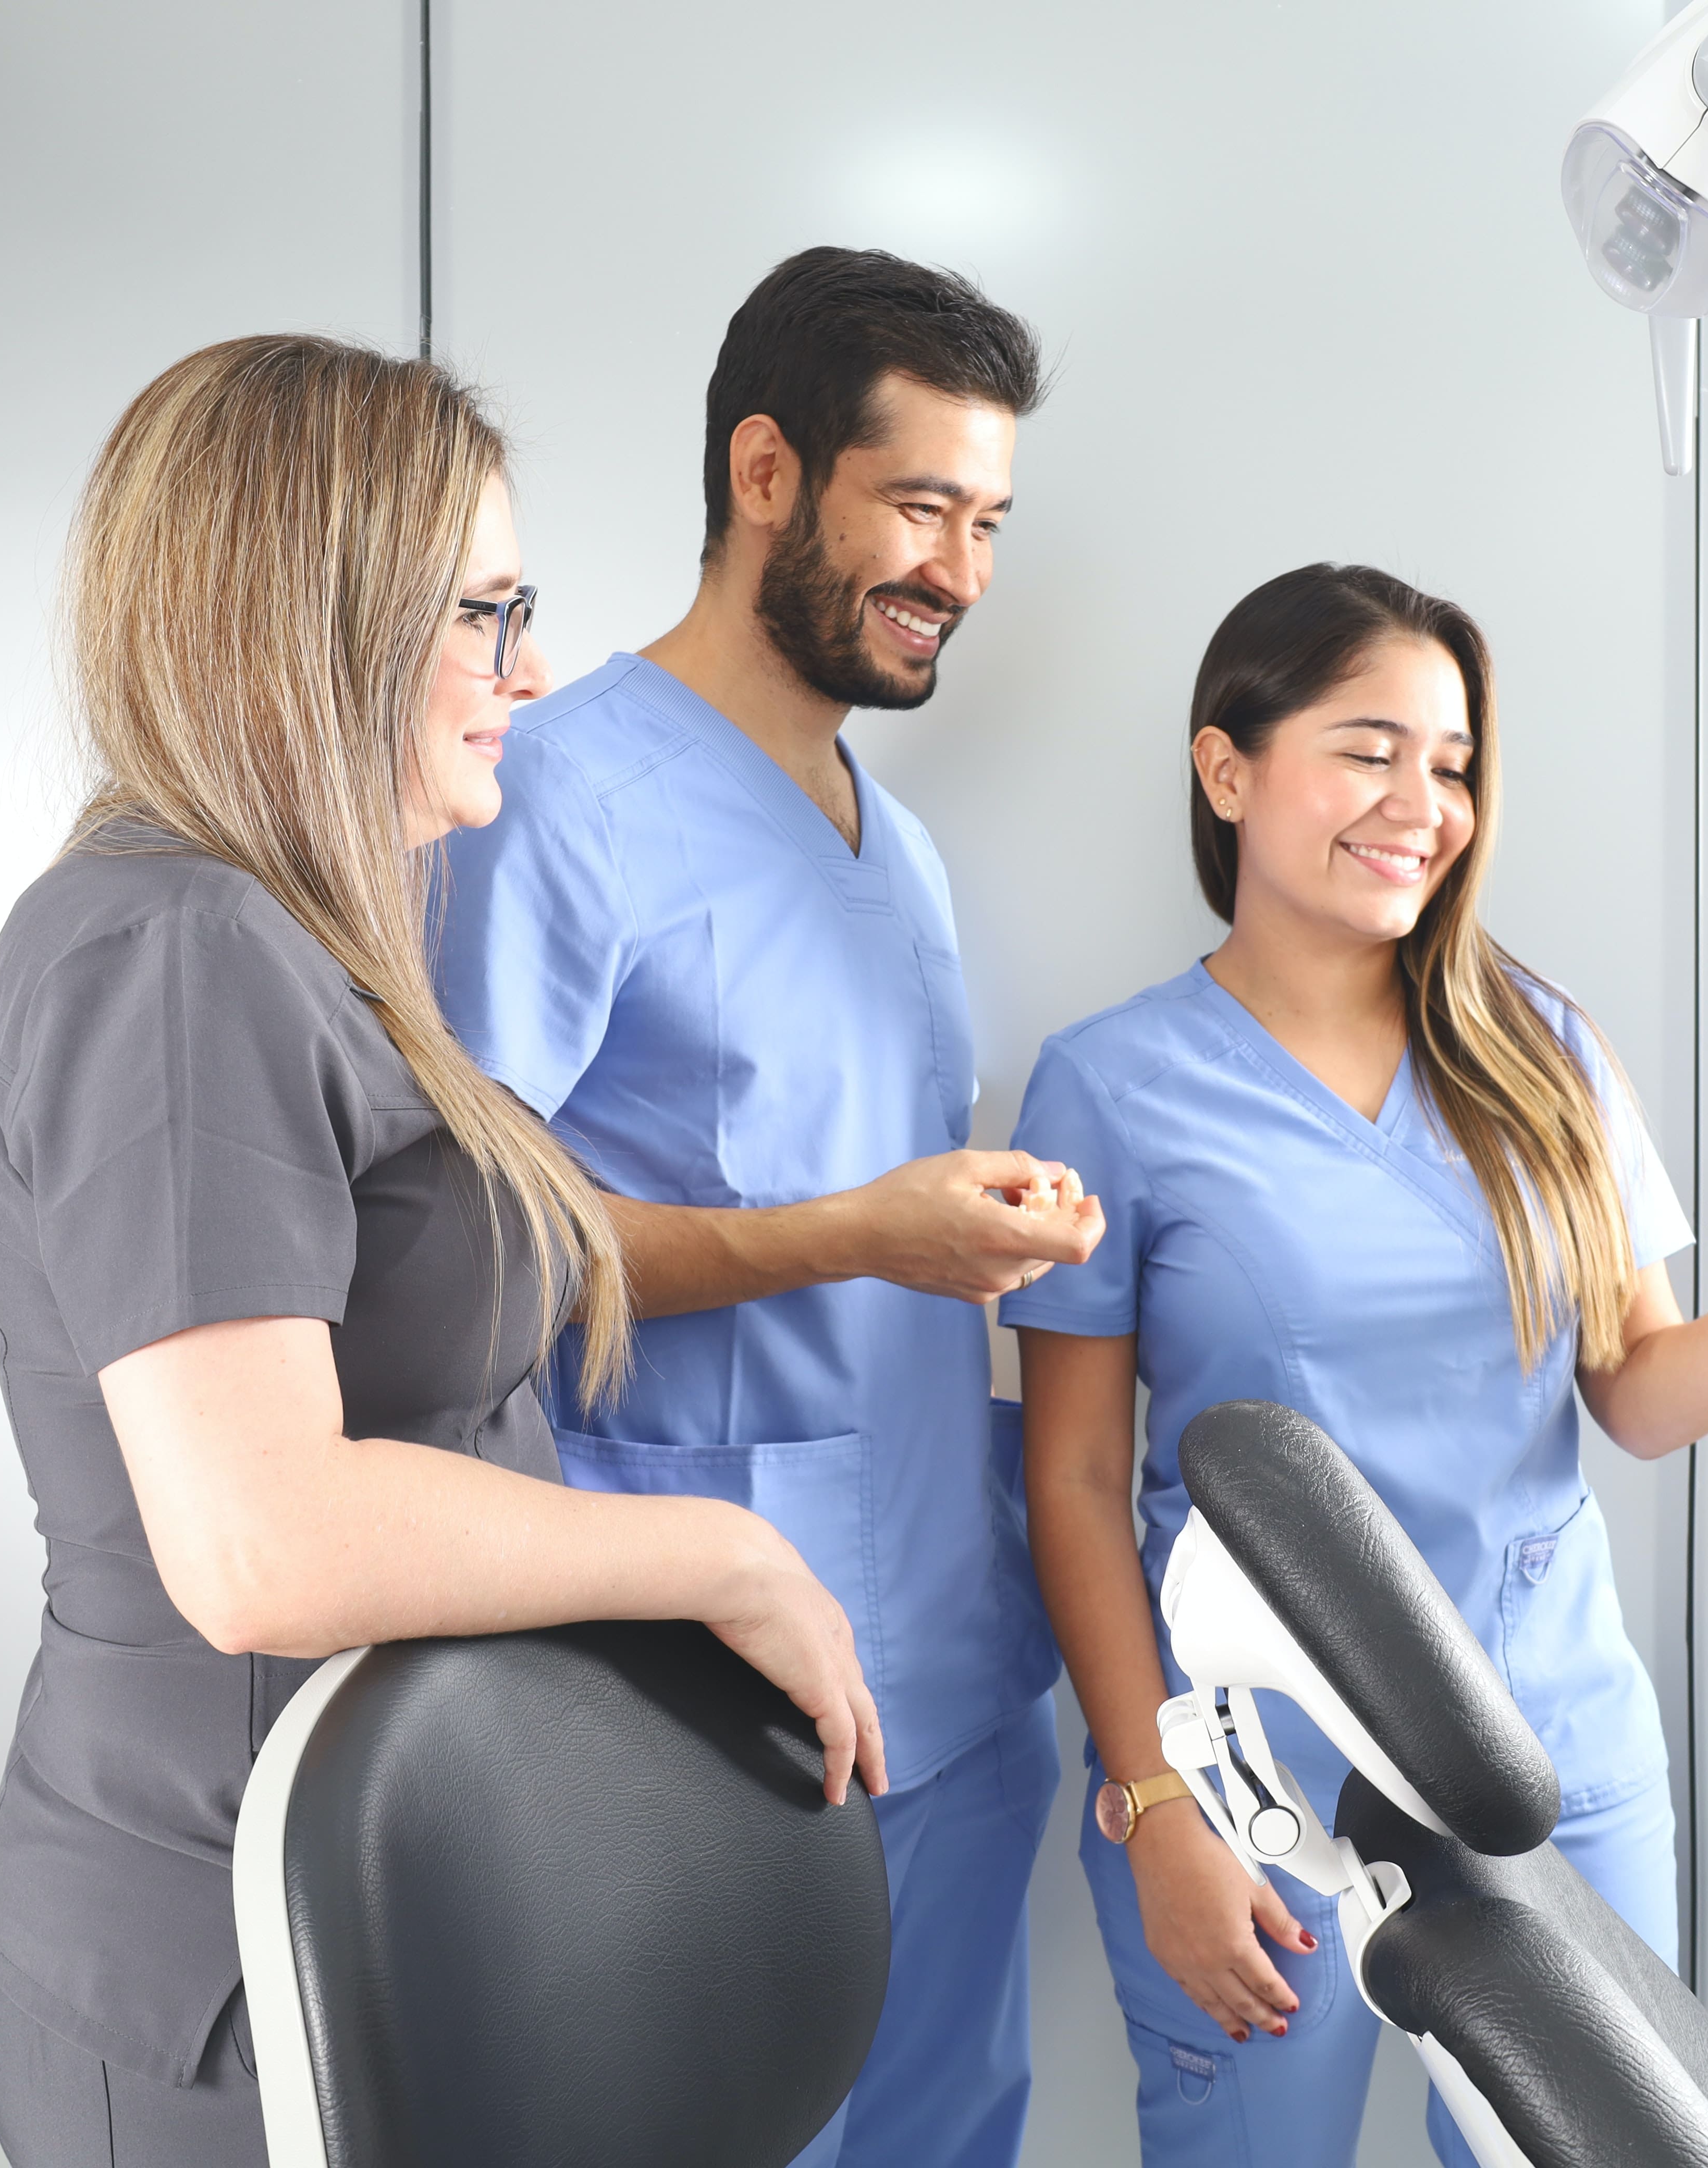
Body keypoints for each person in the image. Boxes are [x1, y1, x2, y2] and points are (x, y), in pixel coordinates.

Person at [0, 335, 882, 2167]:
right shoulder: (173, 953)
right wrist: (718, 1555)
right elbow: (261, 1541)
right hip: (231, 1973)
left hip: (402, 1916)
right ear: (323, 624)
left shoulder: (306, 948)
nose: (531, 671)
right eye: (486, 613)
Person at [1002, 563, 1708, 2167]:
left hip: (1553, 1754)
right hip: (1262, 1789)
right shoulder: (1111, 1086)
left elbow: (1640, 1395)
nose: (1421, 804)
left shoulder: (1545, 1053)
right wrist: (1156, 1799)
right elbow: (1079, 1484)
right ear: (1228, 770)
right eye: (1369, 750)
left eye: (1451, 765)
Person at [430, 249, 1100, 2168]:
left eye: (986, 521)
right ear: (766, 476)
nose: (960, 570)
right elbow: (481, 1254)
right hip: (697, 1686)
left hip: (952, 1681)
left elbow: (891, 1225)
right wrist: (856, 1233)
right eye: (917, 506)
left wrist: (971, 1224)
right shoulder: (550, 797)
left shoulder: (910, 858)